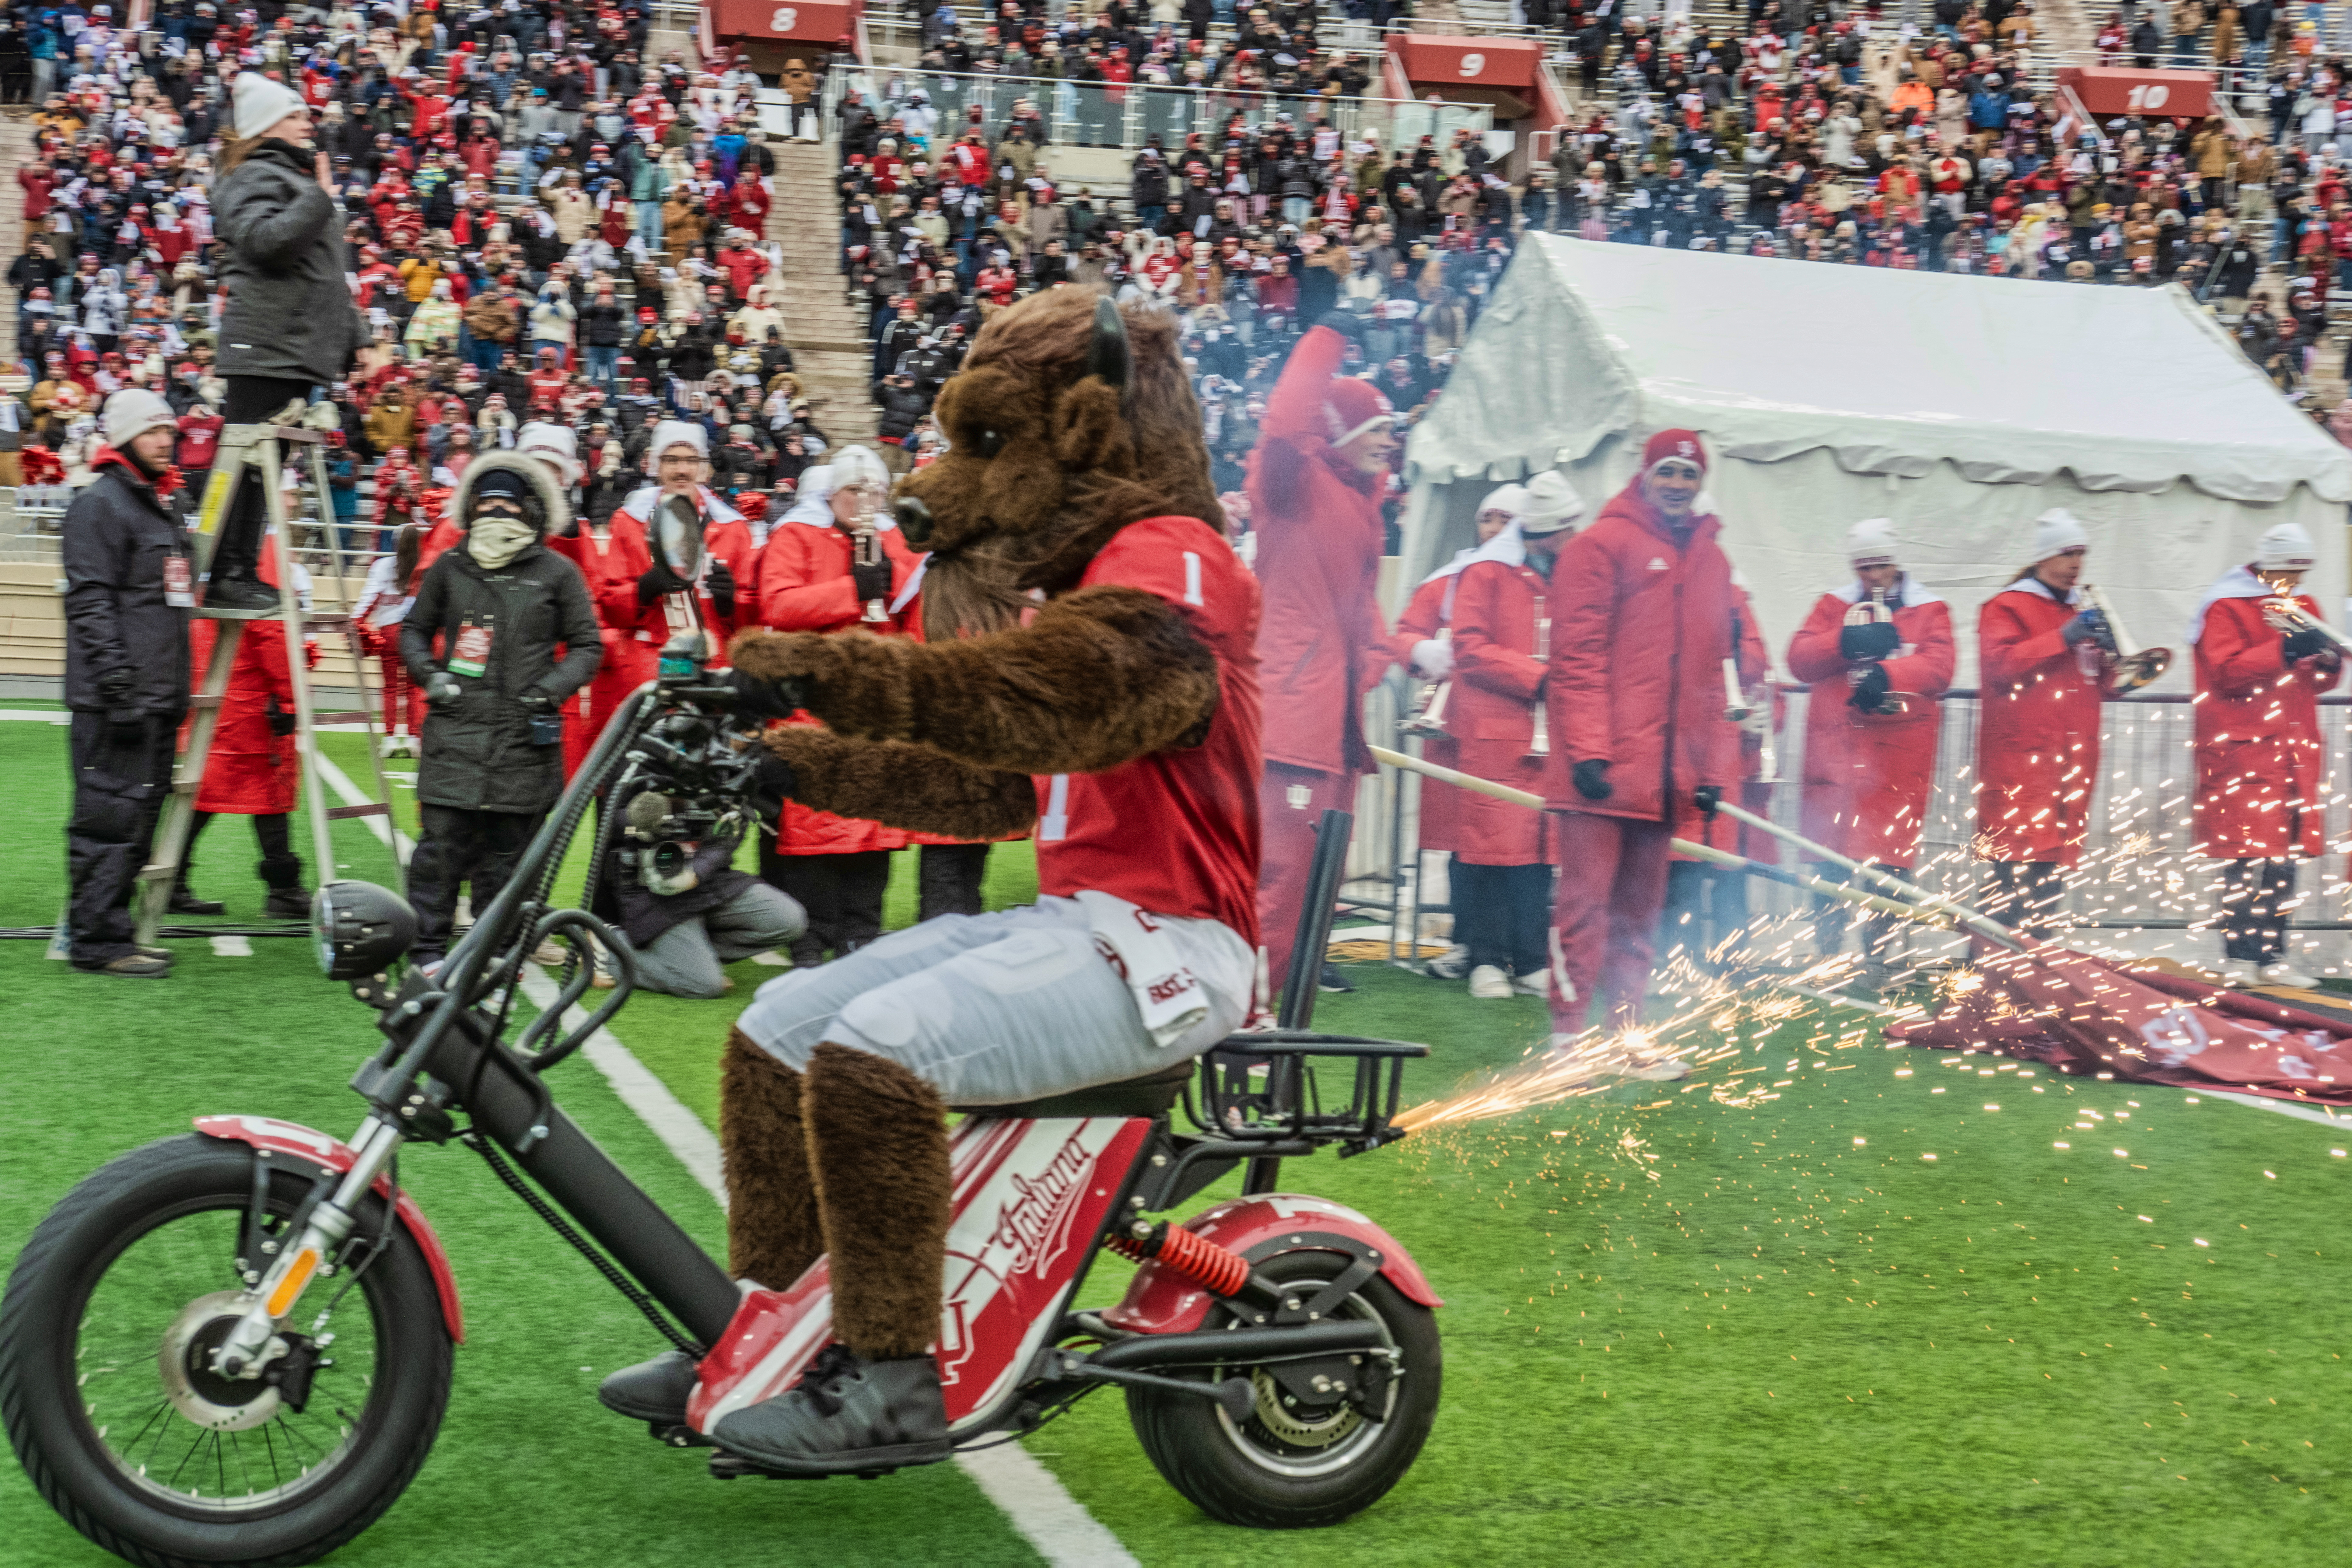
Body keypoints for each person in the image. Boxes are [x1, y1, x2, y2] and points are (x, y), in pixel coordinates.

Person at [598, 292, 1256, 1475]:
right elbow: (987, 786)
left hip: (1176, 948)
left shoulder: (1177, 563)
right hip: (1090, 927)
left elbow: (1047, 702)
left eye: (989, 445)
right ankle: (772, 1334)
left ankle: (890, 1379)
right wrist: (784, 763)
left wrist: (822, 672)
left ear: (1087, 432)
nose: (943, 486)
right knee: (777, 1028)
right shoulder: (1091, 582)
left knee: (875, 1054)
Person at [1545, 430, 1740, 1071]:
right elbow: (1576, 657)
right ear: (1646, 475)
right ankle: (1567, 1040)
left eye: (1689, 474)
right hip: (1602, 774)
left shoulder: (1713, 563)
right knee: (1584, 910)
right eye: (1668, 472)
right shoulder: (1599, 546)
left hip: (1663, 778)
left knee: (1639, 919)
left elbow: (1712, 677)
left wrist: (1709, 769)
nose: (1678, 485)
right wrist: (1587, 750)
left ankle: (1626, 1039)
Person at [397, 453, 603, 968]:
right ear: (470, 507)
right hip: (455, 732)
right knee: (439, 854)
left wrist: (549, 691)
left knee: (509, 860)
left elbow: (587, 646)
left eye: (508, 504)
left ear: (530, 509)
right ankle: (427, 952)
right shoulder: (449, 567)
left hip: (523, 741)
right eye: (486, 503)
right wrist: (430, 676)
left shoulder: (558, 572)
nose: (496, 512)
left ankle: (495, 955)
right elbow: (414, 630)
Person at [1248, 313, 1396, 1004]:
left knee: (1315, 895)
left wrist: (1366, 670)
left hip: (1332, 731)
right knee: (1278, 891)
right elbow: (1283, 423)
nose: (1389, 442)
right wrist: (1326, 339)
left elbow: (1363, 618)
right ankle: (1243, 1032)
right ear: (1339, 430)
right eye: (1378, 429)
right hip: (1292, 726)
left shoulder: (1360, 505)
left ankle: (1278, 1039)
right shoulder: (1294, 482)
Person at [198, 74, 366, 614]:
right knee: (245, 464)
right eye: (294, 115)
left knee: (263, 464)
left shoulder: (290, 178)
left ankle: (239, 569)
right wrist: (319, 198)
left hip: (292, 347)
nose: (306, 123)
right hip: (265, 344)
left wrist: (355, 338)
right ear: (267, 124)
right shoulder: (251, 174)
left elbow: (325, 274)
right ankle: (226, 570)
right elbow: (266, 242)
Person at [751, 443, 922, 964]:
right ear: (832, 493)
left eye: (875, 491)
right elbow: (778, 605)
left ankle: (860, 936)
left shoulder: (894, 540)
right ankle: (810, 940)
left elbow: (913, 616)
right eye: (854, 489)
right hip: (814, 708)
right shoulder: (797, 536)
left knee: (872, 834)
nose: (865, 500)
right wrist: (852, 589)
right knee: (816, 833)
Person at [1783, 520, 1956, 985]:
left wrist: (1890, 675)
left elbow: (1941, 668)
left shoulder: (1930, 608)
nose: (1874, 577)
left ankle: (1877, 959)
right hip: (1836, 753)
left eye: (1881, 566)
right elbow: (1799, 660)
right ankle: (1826, 955)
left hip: (1897, 757)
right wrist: (1844, 641)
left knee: (1888, 861)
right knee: (1828, 860)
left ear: (1896, 563)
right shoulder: (1833, 605)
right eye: (1864, 568)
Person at [60, 390, 190, 978]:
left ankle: (114, 930)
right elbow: (90, 603)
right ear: (124, 438)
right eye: (153, 431)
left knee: (136, 823)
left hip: (155, 696)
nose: (166, 441)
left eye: (170, 431)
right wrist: (117, 685)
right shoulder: (100, 504)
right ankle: (96, 942)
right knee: (107, 821)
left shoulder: (160, 503)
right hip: (118, 700)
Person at [1446, 472, 1584, 998]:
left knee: (1540, 850)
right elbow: (1467, 647)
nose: (1575, 536)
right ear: (1545, 530)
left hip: (1549, 732)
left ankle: (1529, 958)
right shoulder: (1483, 572)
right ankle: (1485, 958)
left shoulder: (1570, 574)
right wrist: (1536, 675)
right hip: (1495, 730)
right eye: (1567, 528)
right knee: (1489, 849)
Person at [2187, 522, 2342, 986]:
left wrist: (2329, 664)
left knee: (2285, 858)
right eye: (2289, 571)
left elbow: (2314, 682)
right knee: (2243, 856)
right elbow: (2226, 673)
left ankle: (2274, 957)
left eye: (2301, 572)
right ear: (2268, 565)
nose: (2296, 581)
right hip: (2243, 750)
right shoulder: (2224, 606)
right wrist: (2285, 649)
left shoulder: (2304, 605)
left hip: (2293, 748)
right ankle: (2240, 955)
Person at [1389, 482, 1526, 980]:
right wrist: (1425, 651)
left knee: (1519, 842)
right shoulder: (1446, 581)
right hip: (1454, 731)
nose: (1495, 528)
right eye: (1488, 518)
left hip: (1516, 731)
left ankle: (1518, 950)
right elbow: (1404, 634)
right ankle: (1467, 942)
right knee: (1463, 840)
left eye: (1506, 520)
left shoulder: (1534, 580)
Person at [1975, 509, 2116, 938]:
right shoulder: (2006, 606)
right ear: (2043, 558)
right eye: (2067, 554)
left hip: (2071, 760)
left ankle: (2037, 959)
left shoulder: (2080, 607)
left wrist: (2111, 656)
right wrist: (2064, 637)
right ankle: (1991, 959)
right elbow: (2000, 666)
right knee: (2013, 868)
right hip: (2023, 759)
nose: (2077, 563)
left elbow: (2106, 685)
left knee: (2051, 871)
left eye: (2081, 554)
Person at [175, 541, 316, 920]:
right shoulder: (262, 546)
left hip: (214, 684)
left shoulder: (210, 536)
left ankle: (173, 879)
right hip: (250, 700)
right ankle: (284, 889)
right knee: (268, 795)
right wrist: (290, 699)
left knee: (204, 793)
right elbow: (270, 626)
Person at [602, 772, 809, 999]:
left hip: (708, 881)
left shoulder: (728, 770)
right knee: (705, 985)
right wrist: (648, 817)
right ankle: (607, 952)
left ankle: (696, 959)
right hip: (653, 891)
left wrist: (696, 874)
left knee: (789, 920)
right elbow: (611, 820)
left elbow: (727, 840)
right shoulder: (646, 762)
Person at [351, 523, 427, 759]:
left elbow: (369, 598)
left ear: (395, 544)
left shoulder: (383, 566)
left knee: (392, 688)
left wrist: (355, 623)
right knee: (415, 688)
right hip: (418, 633)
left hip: (390, 634)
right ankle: (415, 739)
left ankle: (392, 739)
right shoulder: (427, 567)